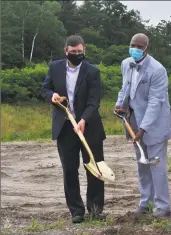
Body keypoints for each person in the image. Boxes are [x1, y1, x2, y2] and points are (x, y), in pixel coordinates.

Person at [40, 35, 106, 223]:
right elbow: (44, 89)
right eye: (73, 51)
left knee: (94, 167)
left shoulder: (93, 71)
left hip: (89, 126)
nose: (77, 54)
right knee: (69, 169)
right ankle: (76, 211)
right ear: (66, 50)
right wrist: (51, 95)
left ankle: (95, 210)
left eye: (80, 51)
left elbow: (94, 101)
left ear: (84, 50)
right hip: (65, 127)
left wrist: (84, 119)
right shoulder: (54, 67)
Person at [114, 33, 171, 218]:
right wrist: (120, 105)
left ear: (146, 48)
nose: (135, 49)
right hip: (133, 121)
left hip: (154, 123)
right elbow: (125, 88)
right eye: (133, 45)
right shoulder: (126, 64)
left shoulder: (157, 70)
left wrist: (143, 128)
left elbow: (156, 102)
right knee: (142, 165)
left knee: (157, 165)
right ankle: (145, 203)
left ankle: (163, 207)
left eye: (139, 46)